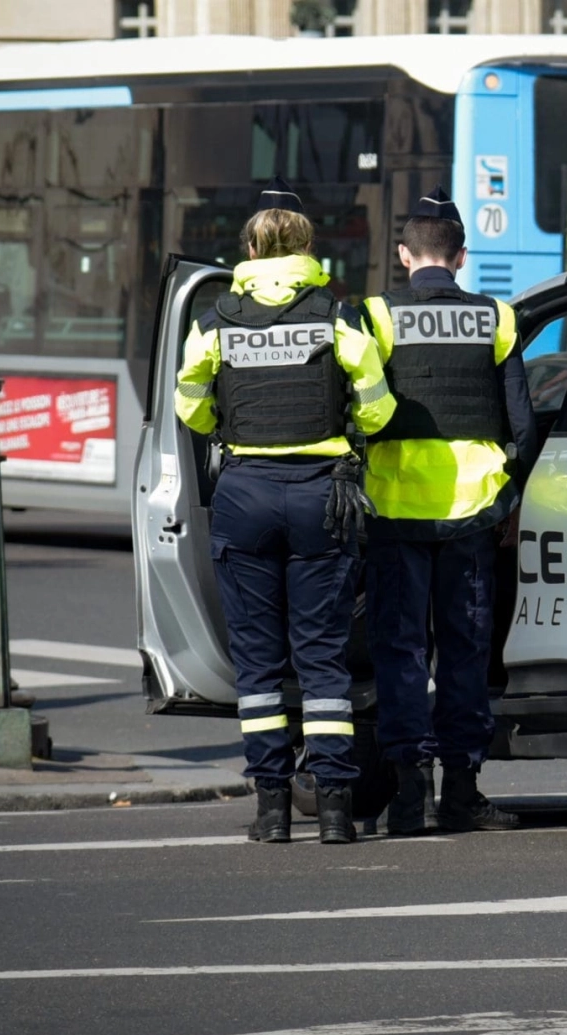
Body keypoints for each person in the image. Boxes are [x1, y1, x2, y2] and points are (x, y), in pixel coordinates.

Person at [174, 178, 395, 845]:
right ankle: (333, 809)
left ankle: (271, 811)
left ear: (248, 247)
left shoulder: (214, 320)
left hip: (245, 493)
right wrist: (346, 421)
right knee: (323, 659)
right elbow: (378, 407)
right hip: (320, 495)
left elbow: (190, 404)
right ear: (307, 248)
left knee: (258, 662)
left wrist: (228, 424)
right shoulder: (337, 316)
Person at [361, 186, 538, 835]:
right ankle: (463, 791)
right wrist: (510, 500)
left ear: (406, 254)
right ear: (460, 256)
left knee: (401, 651)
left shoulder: (377, 315)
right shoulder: (496, 317)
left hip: (393, 510)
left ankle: (410, 796)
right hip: (474, 513)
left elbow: (359, 411)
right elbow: (522, 427)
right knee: (463, 653)